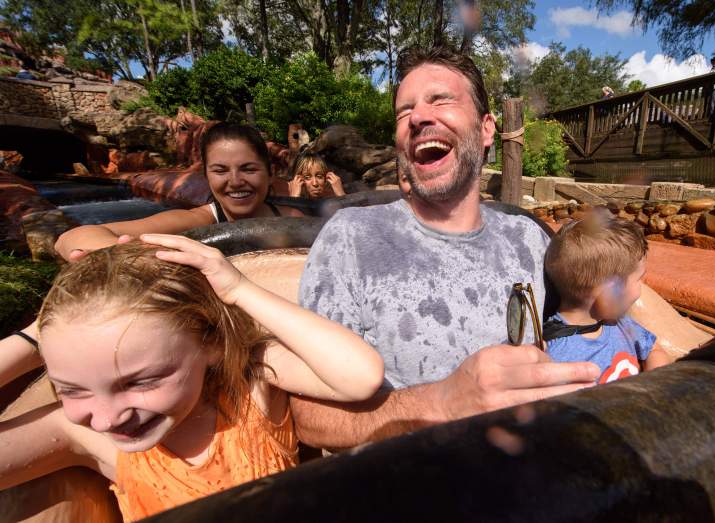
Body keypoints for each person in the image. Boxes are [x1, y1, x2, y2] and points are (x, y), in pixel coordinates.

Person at [289, 46, 601, 451]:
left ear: (487, 128)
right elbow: (311, 418)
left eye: (441, 100)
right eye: (404, 113)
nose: (418, 117)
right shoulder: (352, 238)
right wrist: (443, 403)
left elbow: (590, 326)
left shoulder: (529, 238)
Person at [0, 236, 383, 521]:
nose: (106, 418)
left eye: (141, 382)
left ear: (211, 342)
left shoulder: (250, 385)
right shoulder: (87, 435)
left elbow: (359, 376)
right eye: (73, 390)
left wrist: (238, 288)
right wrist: (43, 332)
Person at [54, 123, 303, 262]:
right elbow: (71, 238)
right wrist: (126, 257)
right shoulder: (198, 220)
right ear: (206, 176)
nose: (235, 181)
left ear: (270, 173)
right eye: (220, 170)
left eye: (248, 169)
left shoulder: (292, 218)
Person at [542, 214, 671, 383]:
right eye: (639, 279)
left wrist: (654, 383)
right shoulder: (555, 354)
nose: (642, 286)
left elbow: (654, 351)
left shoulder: (621, 324)